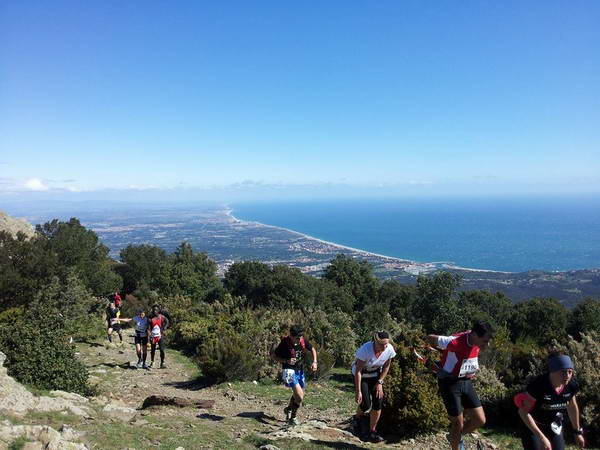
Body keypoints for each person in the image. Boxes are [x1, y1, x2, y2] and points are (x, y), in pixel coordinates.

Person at [426, 321, 494, 450]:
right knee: (457, 423)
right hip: (449, 383)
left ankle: (455, 437)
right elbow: (430, 338)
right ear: (474, 335)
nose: (487, 345)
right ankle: (456, 444)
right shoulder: (454, 341)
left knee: (480, 420)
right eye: (484, 341)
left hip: (466, 381)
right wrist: (438, 351)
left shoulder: (474, 338)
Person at [515, 354, 585, 450]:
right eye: (563, 372)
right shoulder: (539, 385)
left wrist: (577, 432)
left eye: (570, 372)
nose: (567, 376)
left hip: (554, 425)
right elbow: (523, 412)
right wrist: (541, 437)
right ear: (553, 372)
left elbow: (572, 406)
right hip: (533, 426)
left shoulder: (571, 385)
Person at [351, 331, 396, 443]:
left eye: (387, 343)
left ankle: (372, 431)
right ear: (375, 342)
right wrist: (358, 391)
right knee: (366, 404)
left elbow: (386, 367)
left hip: (375, 375)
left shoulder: (389, 349)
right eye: (382, 344)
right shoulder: (365, 349)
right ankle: (357, 418)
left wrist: (380, 382)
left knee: (378, 401)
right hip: (362, 375)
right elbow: (358, 371)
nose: (385, 346)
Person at [271, 325, 318, 425]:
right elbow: (274, 356)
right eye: (297, 337)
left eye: (300, 337)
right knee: (300, 397)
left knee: (297, 394)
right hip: (289, 371)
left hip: (300, 370)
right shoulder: (284, 343)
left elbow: (312, 349)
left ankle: (289, 409)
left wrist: (315, 362)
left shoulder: (302, 340)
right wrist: (286, 360)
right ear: (291, 336)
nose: (299, 339)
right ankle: (293, 417)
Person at [148, 304, 169, 369]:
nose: (155, 311)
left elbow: (167, 321)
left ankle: (162, 363)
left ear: (158, 310)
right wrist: (150, 336)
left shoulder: (161, 317)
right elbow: (148, 328)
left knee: (162, 350)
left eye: (156, 310)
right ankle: (152, 362)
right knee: (153, 350)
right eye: (154, 310)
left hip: (160, 335)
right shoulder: (150, 318)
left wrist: (165, 327)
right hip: (153, 336)